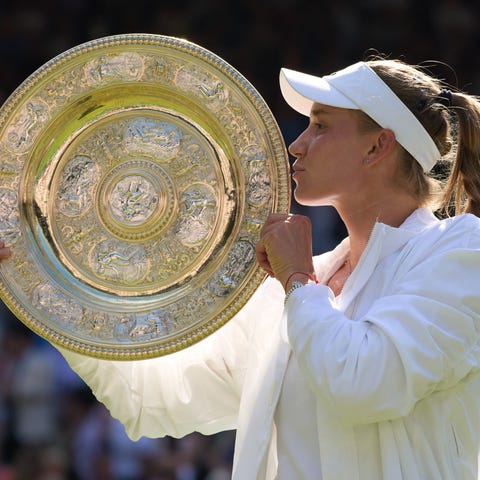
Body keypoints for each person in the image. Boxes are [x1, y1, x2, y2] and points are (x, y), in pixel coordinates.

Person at [2, 56, 480, 479]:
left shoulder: (458, 251)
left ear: (377, 146)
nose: (298, 145)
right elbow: (153, 402)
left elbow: (362, 382)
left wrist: (296, 279)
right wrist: (52, 288)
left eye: (320, 125)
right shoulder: (288, 290)